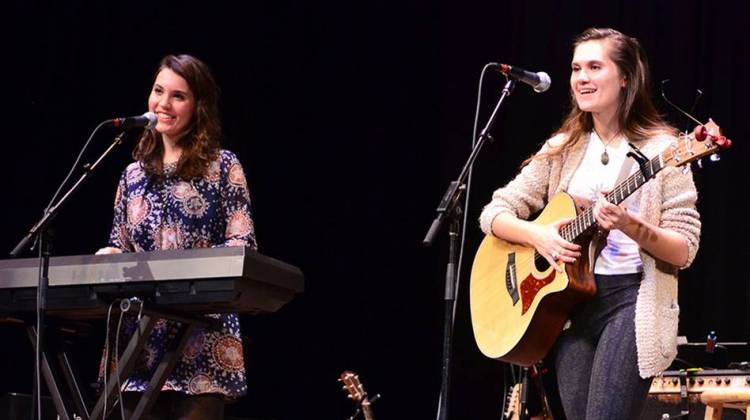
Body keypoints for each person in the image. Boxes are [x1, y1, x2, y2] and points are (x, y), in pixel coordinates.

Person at [478, 28, 701, 419]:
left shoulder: (664, 150)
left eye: (595, 67)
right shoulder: (563, 147)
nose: (581, 77)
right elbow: (493, 213)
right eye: (576, 68)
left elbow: (684, 250)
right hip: (570, 306)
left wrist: (631, 225)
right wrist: (539, 235)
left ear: (627, 76)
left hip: (631, 302)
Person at [96, 54, 256, 419]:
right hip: (138, 347)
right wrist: (110, 256)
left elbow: (242, 244)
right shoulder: (131, 176)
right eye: (158, 91)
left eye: (178, 96)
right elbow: (119, 244)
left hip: (199, 343)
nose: (163, 104)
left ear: (198, 106)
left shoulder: (223, 165)